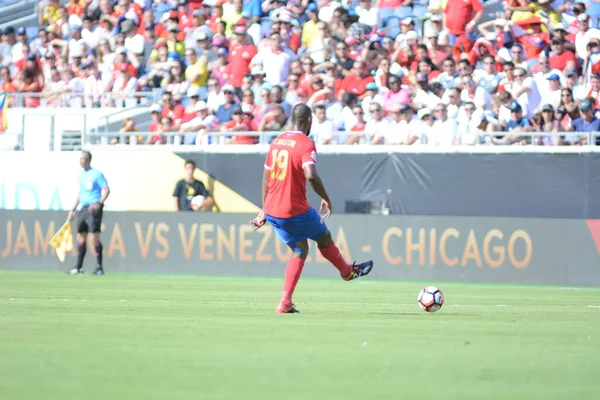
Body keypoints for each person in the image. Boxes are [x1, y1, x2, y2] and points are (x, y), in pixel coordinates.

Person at [250, 103, 374, 314]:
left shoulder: (276, 141)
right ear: (309, 121)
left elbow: (265, 177)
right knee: (324, 237)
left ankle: (285, 303)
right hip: (294, 210)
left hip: (272, 210)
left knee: (300, 249)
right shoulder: (306, 143)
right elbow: (311, 175)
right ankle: (346, 272)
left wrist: (264, 209)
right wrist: (325, 197)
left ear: (291, 119)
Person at [67, 151, 110, 275]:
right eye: (80, 159)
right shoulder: (81, 175)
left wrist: (99, 203)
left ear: (88, 160)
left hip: (93, 209)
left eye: (83, 159)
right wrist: (72, 210)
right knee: (80, 237)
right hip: (83, 209)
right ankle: (79, 267)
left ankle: (99, 267)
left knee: (93, 237)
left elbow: (106, 189)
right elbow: (80, 194)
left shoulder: (97, 174)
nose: (81, 161)